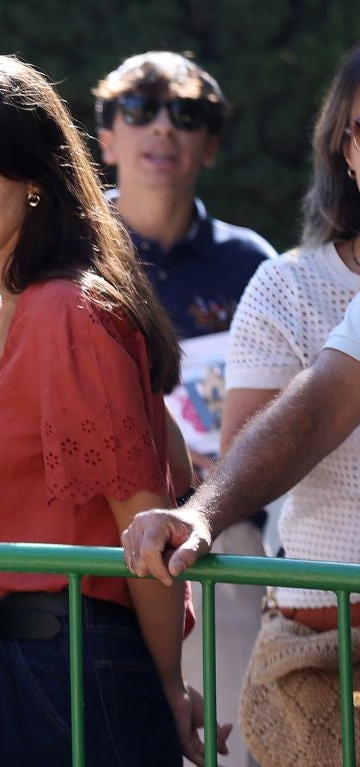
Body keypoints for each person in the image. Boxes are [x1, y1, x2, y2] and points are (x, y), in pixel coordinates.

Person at [0, 55, 221, 766]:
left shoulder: (64, 309)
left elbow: (147, 521)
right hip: (40, 664)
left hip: (72, 664)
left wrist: (169, 689)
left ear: (34, 180)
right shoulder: (28, 304)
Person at [124, 43, 360, 765]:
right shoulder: (288, 283)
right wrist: (200, 511)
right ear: (344, 149)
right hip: (317, 650)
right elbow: (319, 404)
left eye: (188, 115)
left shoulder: (240, 255)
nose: (164, 129)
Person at [94, 52, 275, 736]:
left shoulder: (253, 264)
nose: (164, 128)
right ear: (106, 137)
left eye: (187, 114)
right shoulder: (67, 256)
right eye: (140, 110)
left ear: (213, 144)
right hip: (98, 552)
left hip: (228, 545)